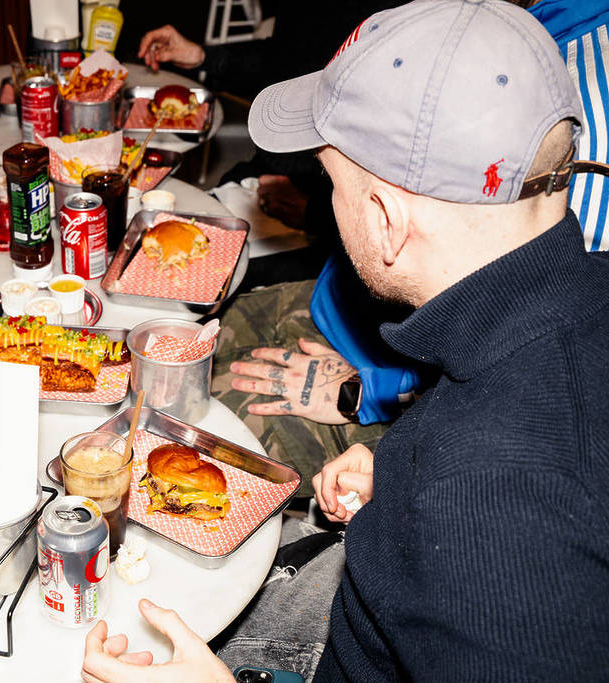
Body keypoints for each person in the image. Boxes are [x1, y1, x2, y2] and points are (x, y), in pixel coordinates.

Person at [82, 0, 609, 680]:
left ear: (387, 219)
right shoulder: (567, 305)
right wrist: (393, 473)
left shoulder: (482, 506)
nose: (324, 202)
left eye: (331, 182)